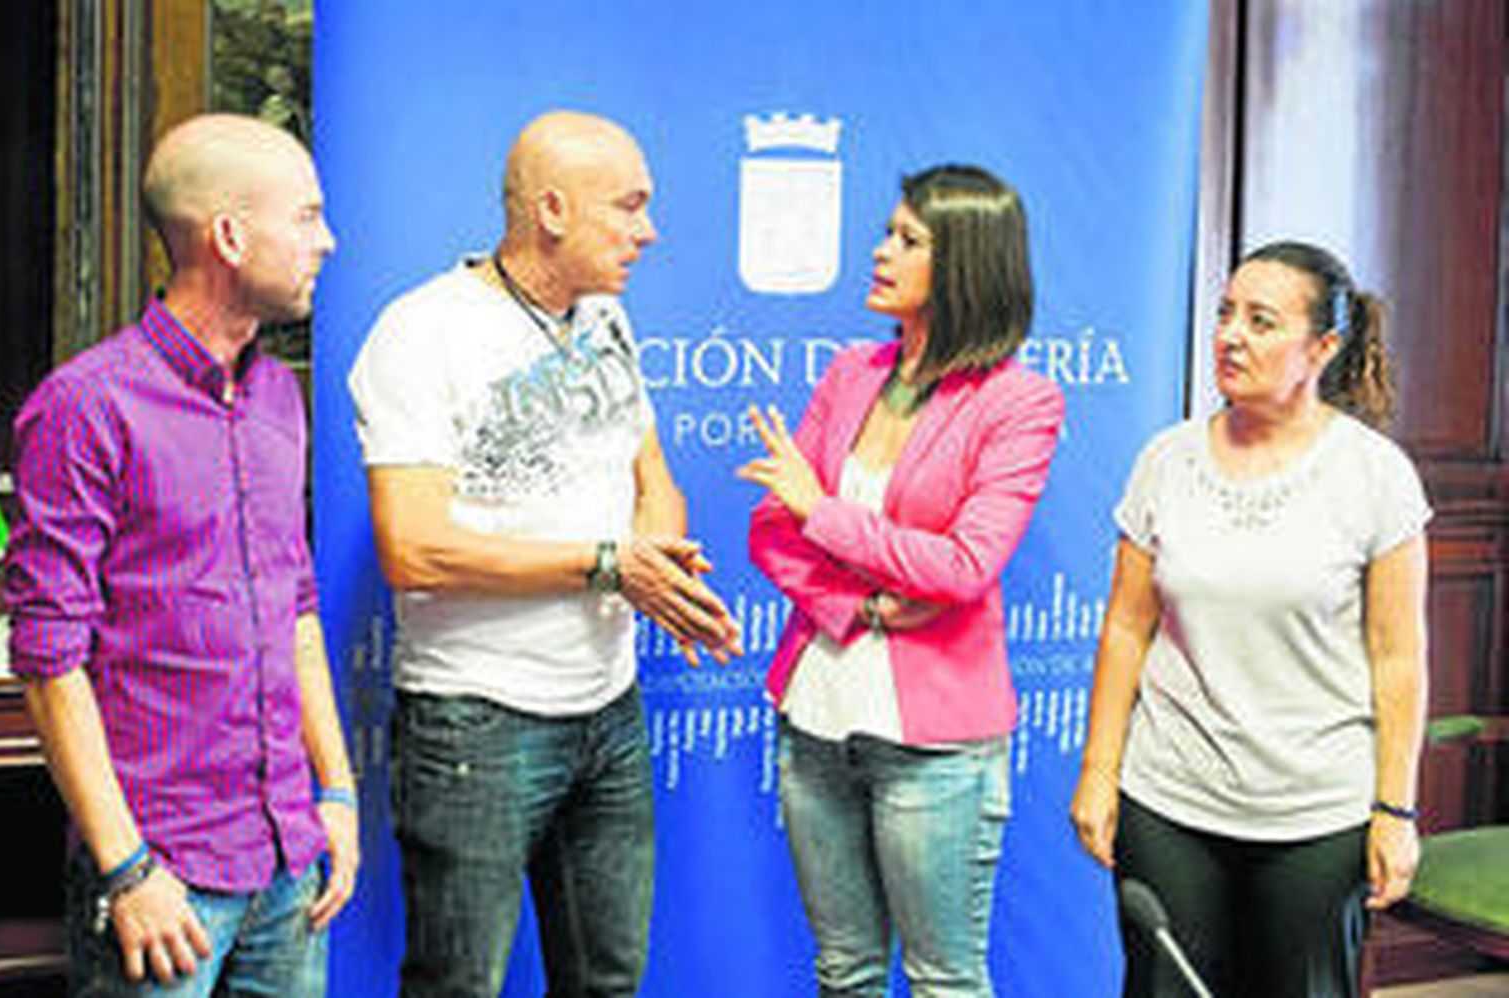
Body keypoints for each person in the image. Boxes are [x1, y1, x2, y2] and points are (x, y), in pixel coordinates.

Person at [347, 109, 741, 997]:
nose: (651, 231)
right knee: (459, 983)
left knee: (608, 979)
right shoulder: (420, 332)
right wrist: (609, 564)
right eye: (629, 208)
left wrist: (660, 569)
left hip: (609, 709)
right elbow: (412, 547)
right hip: (476, 721)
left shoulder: (605, 319)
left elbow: (652, 474)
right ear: (553, 210)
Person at [6, 113, 358, 996]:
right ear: (230, 237)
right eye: (307, 217)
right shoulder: (84, 407)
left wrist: (337, 795)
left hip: (288, 857)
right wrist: (127, 871)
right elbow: (50, 662)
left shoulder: (279, 393)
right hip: (165, 875)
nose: (328, 240)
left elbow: (297, 607)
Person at [1069, 241, 1428, 997]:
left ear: (1322, 347)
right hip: (1169, 801)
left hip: (1316, 816)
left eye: (1261, 321)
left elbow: (1399, 660)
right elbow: (1127, 629)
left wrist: (1395, 809)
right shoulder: (1165, 461)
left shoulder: (1375, 476)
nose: (1231, 335)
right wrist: (1100, 774)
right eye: (1226, 313)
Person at [740, 164, 1065, 997]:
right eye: (888, 232)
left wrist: (824, 513)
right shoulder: (852, 370)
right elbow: (774, 530)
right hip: (813, 721)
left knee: (942, 981)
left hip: (938, 748)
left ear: (964, 264)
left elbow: (965, 565)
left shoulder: (1019, 402)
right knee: (843, 971)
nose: (880, 252)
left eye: (907, 240)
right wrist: (865, 604)